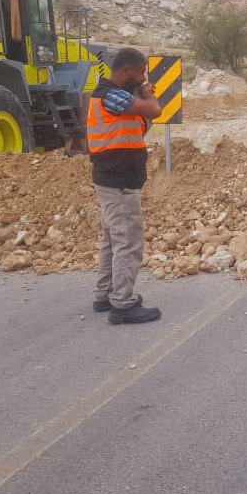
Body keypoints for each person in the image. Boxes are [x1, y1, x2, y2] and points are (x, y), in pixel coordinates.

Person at [86, 48, 164, 325]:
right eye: (141, 72)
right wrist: (145, 89)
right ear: (127, 71)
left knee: (112, 240)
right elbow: (155, 109)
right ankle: (122, 303)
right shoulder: (112, 96)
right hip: (118, 179)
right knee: (128, 241)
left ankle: (105, 294)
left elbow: (142, 123)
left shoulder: (114, 97)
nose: (143, 78)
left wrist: (142, 94)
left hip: (113, 177)